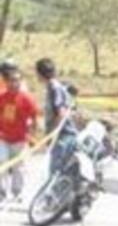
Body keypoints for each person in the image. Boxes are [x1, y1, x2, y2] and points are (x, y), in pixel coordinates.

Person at [0, 62, 38, 201]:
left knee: (19, 167)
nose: (13, 83)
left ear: (20, 82)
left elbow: (34, 118)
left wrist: (32, 137)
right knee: (2, 163)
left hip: (20, 139)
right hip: (3, 138)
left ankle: (17, 193)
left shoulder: (27, 98)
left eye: (16, 80)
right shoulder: (1, 97)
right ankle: (2, 193)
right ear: (6, 81)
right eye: (11, 80)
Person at [35, 58, 77, 172]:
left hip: (63, 136)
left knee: (56, 172)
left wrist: (53, 132)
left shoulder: (55, 88)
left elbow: (61, 113)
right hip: (59, 136)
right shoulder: (51, 87)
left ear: (40, 73)